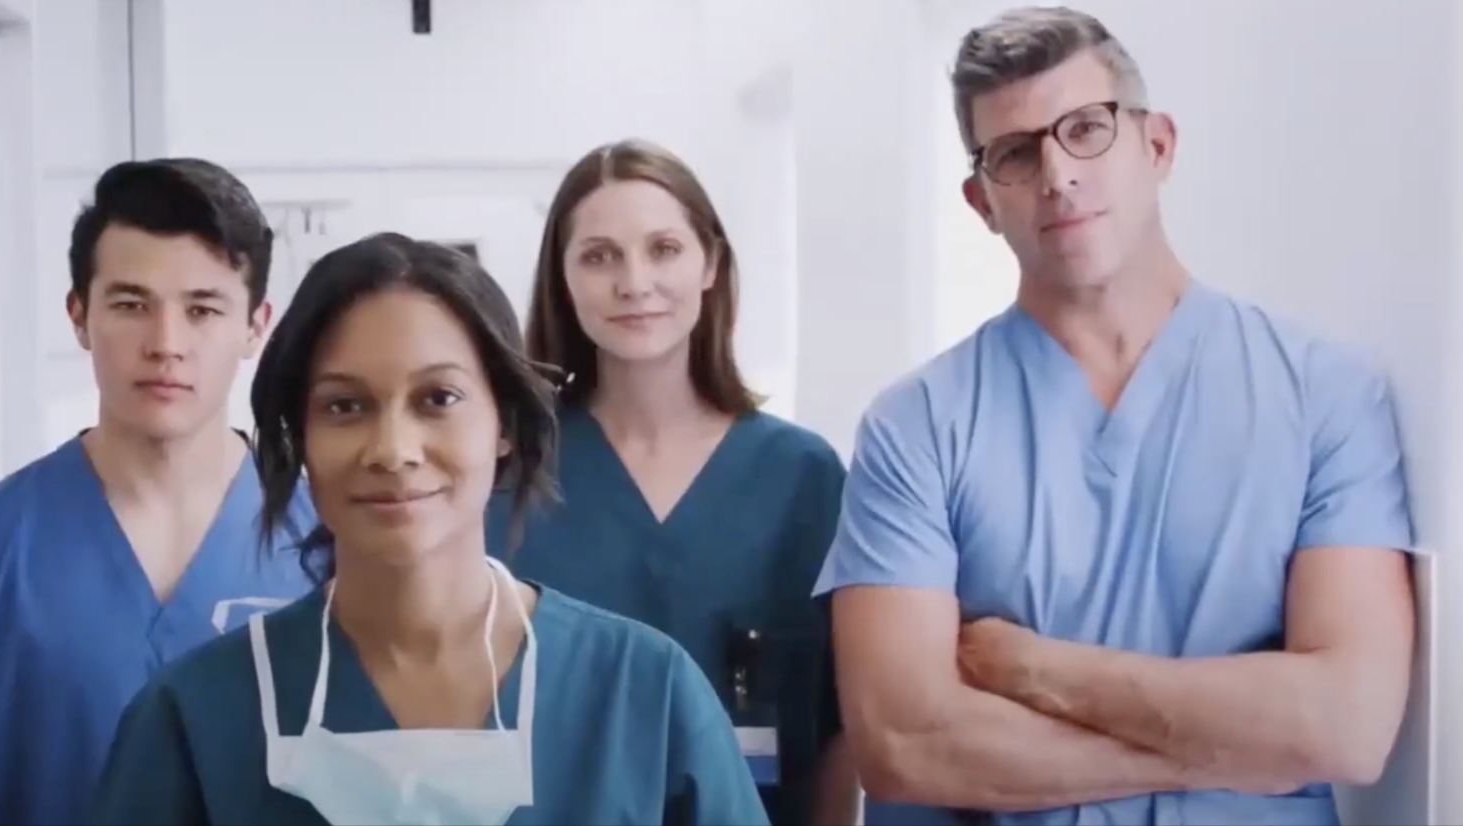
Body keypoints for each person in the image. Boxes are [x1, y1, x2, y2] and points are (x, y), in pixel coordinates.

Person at [816, 7, 1418, 825]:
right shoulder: (915, 428)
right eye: (1015, 153)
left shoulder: (1324, 393)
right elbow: (905, 744)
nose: (1057, 174)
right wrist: (1239, 747)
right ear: (980, 200)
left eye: (1086, 129)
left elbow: (1346, 724)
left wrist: (1033, 669)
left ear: (1157, 145)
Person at [89, 232, 770, 826]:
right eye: (345, 405)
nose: (392, 449)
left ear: (503, 423)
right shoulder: (197, 718)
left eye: (437, 399)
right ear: (300, 437)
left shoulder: (642, 694)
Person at [0, 158, 317, 826]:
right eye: (131, 305)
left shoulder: (331, 542)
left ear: (256, 325)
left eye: (202, 309)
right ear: (79, 315)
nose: (166, 344)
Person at [494, 138, 856, 825]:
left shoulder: (802, 479)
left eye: (662, 248)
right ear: (562, 280)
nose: (633, 282)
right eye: (598, 256)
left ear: (710, 263)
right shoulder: (506, 478)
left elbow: (840, 724)